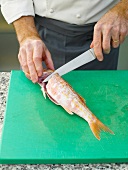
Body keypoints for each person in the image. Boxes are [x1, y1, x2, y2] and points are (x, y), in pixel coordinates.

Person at [0, 0, 128, 83]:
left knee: (101, 101)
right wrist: (27, 35)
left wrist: (124, 9)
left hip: (102, 35)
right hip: (41, 36)